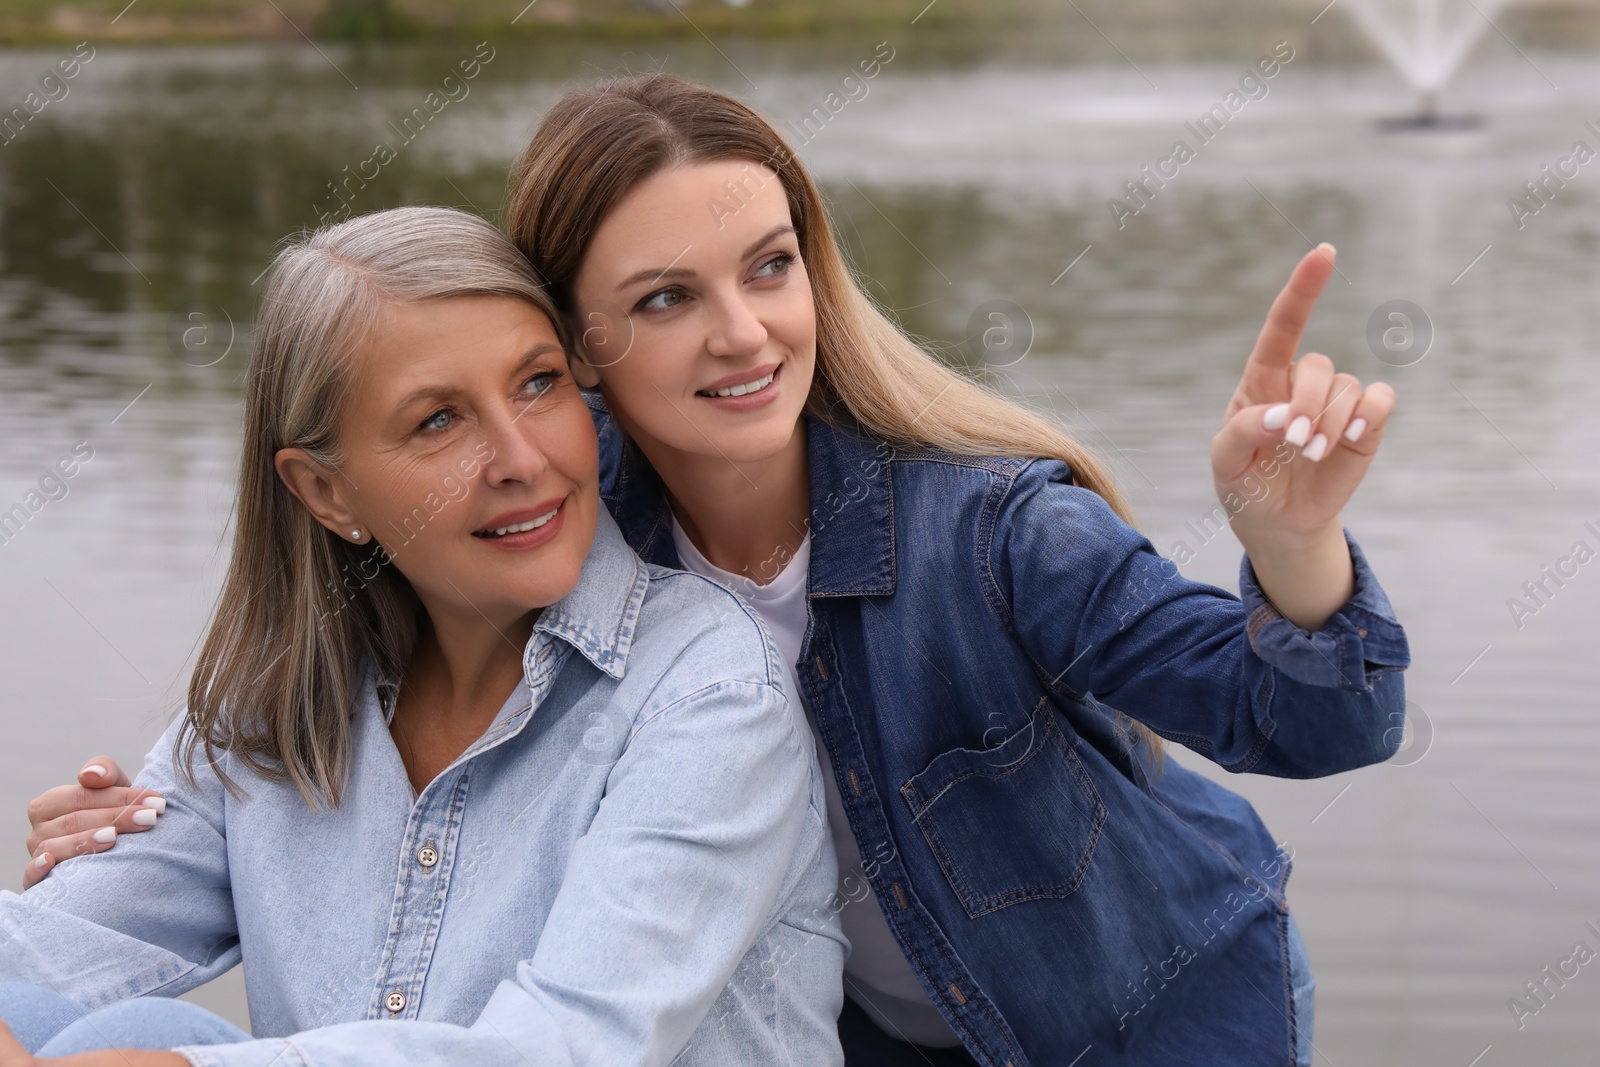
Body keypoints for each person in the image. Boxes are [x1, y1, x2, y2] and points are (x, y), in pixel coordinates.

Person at [29, 73, 1411, 1066]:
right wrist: (145, 820)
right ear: (582, 347)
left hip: (1136, 1012)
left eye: (770, 266)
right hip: (875, 1024)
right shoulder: (555, 536)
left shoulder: (989, 533)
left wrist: (1291, 542)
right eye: (665, 298)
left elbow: (1320, 716)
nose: (745, 332)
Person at [1, 205, 846, 1067]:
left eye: (538, 383)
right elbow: (48, 947)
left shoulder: (712, 693)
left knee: (148, 1048)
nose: (521, 458)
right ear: (326, 493)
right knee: (95, 1025)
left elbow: (563, 1049)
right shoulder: (278, 702)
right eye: (438, 420)